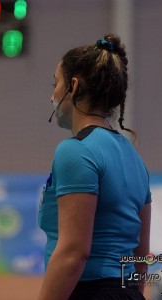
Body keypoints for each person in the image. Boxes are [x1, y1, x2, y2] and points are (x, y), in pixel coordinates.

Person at [37, 34, 151, 300]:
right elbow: (141, 258)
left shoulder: (74, 150)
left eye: (56, 84)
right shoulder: (135, 159)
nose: (52, 95)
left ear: (73, 86)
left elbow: (74, 252)